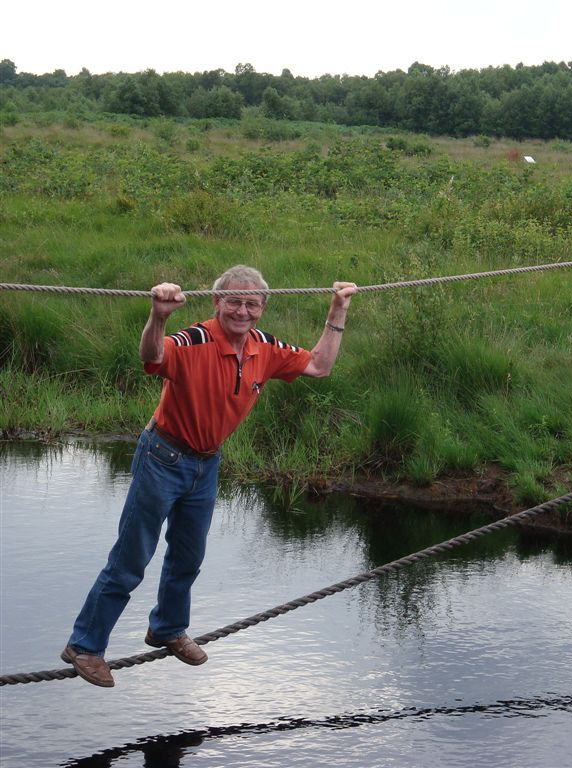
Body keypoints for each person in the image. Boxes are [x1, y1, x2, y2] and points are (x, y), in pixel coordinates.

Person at [61, 265, 358, 687]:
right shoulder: (193, 339)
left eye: (251, 302)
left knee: (188, 557)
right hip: (162, 457)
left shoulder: (264, 346)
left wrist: (338, 308)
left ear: (262, 307)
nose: (242, 310)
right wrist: (159, 315)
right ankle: (84, 646)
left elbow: (319, 366)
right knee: (131, 559)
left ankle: (165, 628)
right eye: (233, 301)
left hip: (206, 464)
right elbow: (152, 355)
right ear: (216, 302)